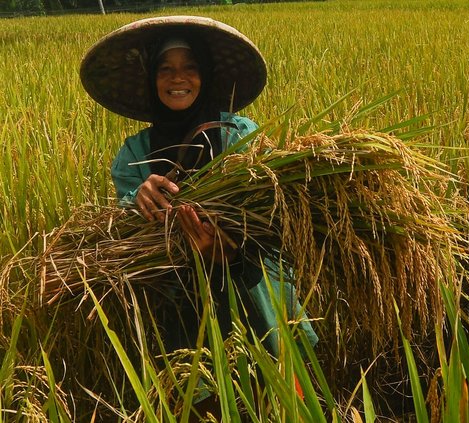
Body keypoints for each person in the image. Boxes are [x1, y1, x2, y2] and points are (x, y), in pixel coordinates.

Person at [80, 16, 318, 420]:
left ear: (205, 75)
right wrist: (136, 200)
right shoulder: (135, 154)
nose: (179, 78)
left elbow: (277, 218)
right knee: (201, 403)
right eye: (166, 68)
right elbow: (120, 231)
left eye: (190, 66)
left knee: (280, 404)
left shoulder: (239, 135)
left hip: (254, 300)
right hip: (181, 312)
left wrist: (231, 251)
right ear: (152, 79)